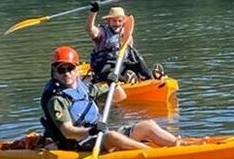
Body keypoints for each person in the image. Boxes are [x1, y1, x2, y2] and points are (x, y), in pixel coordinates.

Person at [40, 46, 179, 152]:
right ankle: (152, 154)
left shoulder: (85, 89)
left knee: (147, 125)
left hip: (99, 134)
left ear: (77, 70)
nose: (66, 73)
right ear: (54, 73)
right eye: (61, 70)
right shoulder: (56, 99)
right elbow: (67, 131)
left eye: (69, 68)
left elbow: (120, 97)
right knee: (112, 136)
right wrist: (91, 131)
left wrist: (112, 82)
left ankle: (179, 145)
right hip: (79, 143)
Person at [87, 4, 163, 83]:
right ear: (108, 21)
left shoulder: (126, 33)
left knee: (136, 58)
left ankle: (151, 77)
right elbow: (89, 29)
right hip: (108, 65)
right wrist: (93, 12)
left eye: (119, 21)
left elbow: (129, 51)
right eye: (114, 21)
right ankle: (126, 79)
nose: (117, 24)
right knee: (109, 73)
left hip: (123, 63)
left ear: (123, 21)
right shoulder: (102, 32)